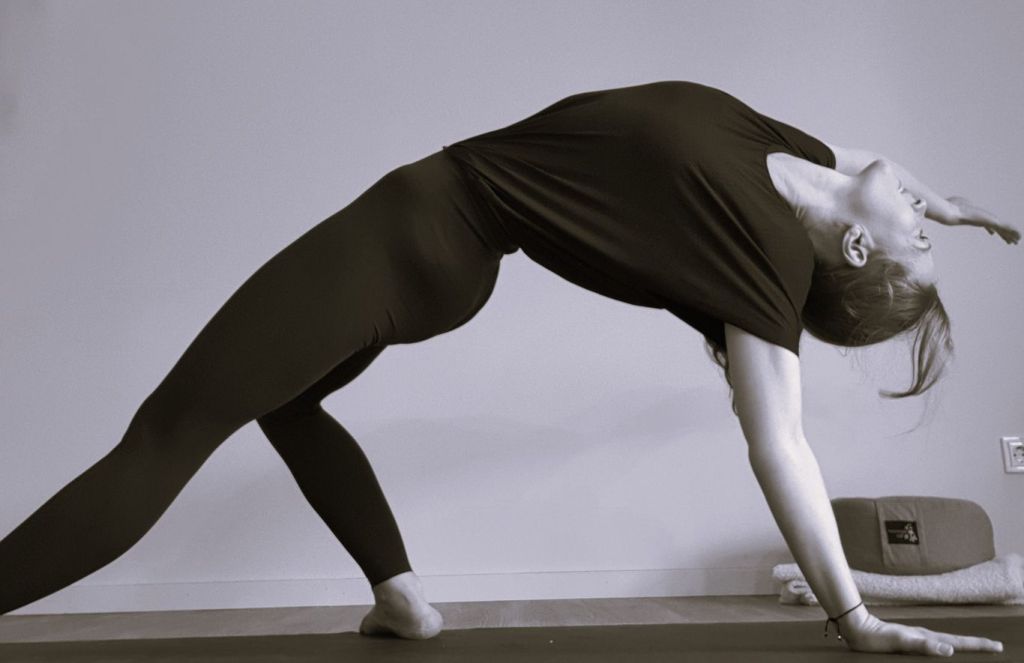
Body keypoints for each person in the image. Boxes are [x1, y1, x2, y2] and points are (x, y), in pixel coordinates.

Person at [0, 81, 1016, 655]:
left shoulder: (767, 253)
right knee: (288, 400)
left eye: (921, 236)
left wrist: (853, 617)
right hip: (438, 239)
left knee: (167, 429)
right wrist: (951, 208)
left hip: (417, 235)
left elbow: (778, 441)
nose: (922, 209)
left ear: (853, 250)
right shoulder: (793, 157)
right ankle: (401, 598)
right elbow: (884, 174)